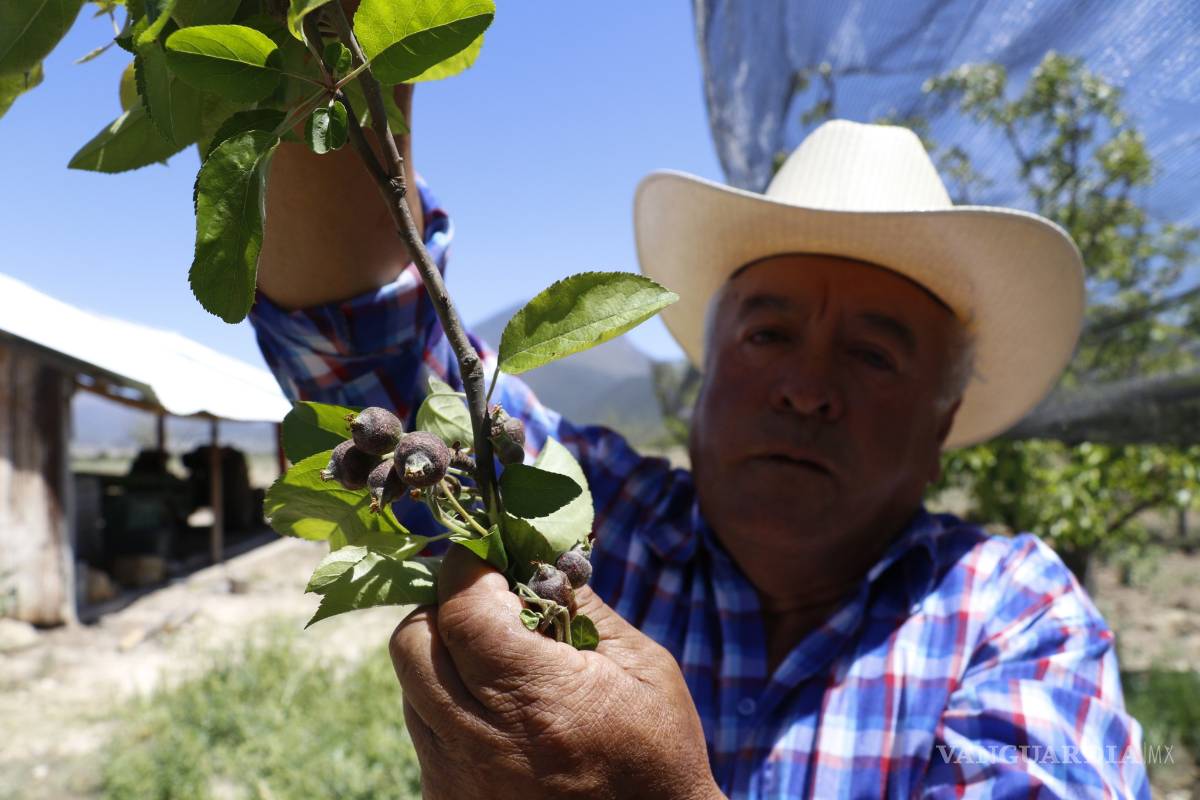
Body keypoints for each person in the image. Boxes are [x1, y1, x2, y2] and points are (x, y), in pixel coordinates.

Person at [251, 86, 1150, 798]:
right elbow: (368, 349)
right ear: (707, 369)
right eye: (768, 335)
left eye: (875, 354)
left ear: (943, 418)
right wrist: (335, 47)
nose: (806, 387)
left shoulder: (1011, 613)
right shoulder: (586, 508)